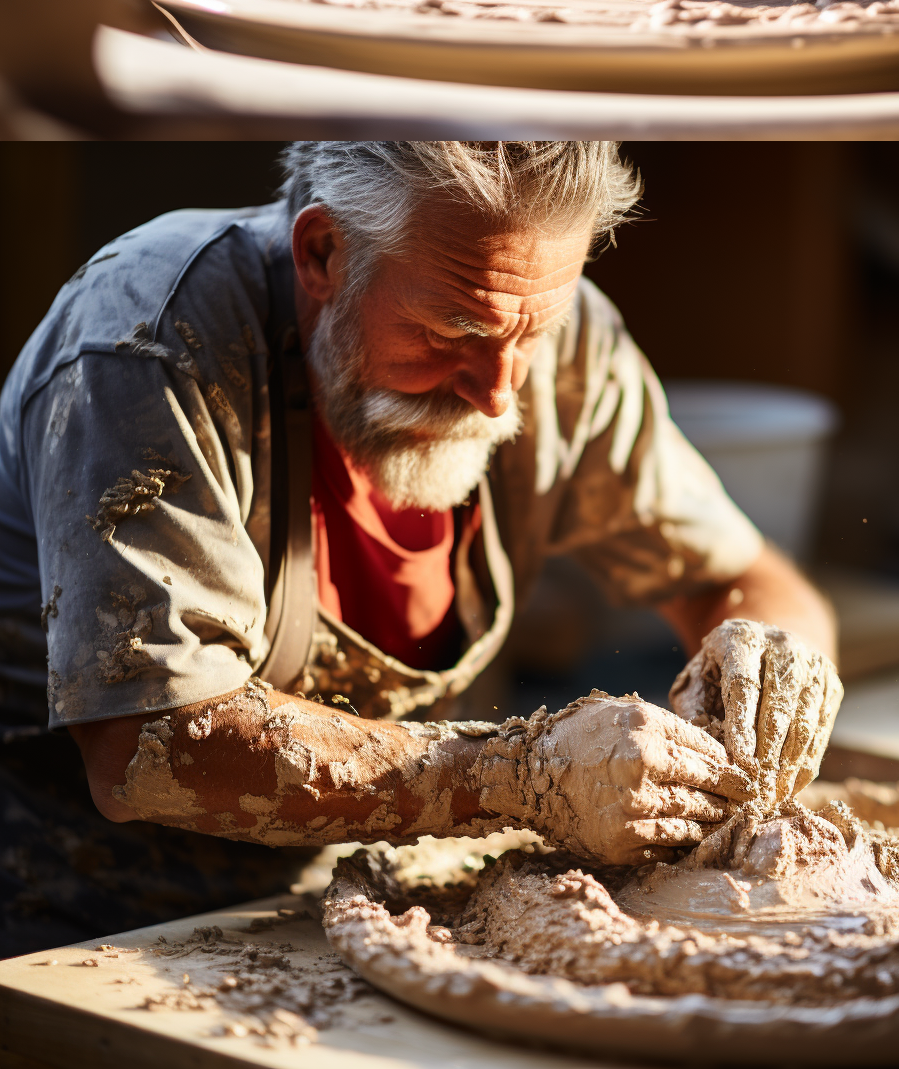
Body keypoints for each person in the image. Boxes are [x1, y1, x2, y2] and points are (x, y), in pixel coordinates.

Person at [0, 142, 839, 952]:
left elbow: (740, 577)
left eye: (532, 336)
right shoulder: (146, 346)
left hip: (346, 889)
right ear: (324, 254)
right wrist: (525, 775)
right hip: (77, 906)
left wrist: (774, 666)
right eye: (451, 330)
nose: (500, 392)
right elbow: (143, 747)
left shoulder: (547, 325)